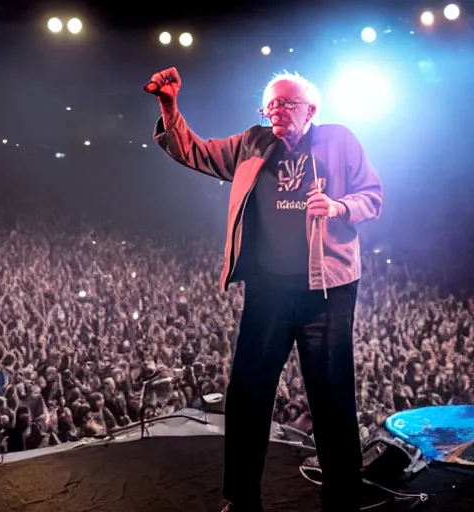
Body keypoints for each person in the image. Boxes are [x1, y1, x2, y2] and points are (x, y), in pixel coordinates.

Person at [146, 67, 383, 512]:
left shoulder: (339, 140)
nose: (274, 110)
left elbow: (372, 196)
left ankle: (343, 497)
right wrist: (169, 108)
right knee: (247, 394)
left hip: (326, 291)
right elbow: (194, 151)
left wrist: (337, 206)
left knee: (331, 398)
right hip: (267, 289)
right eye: (269, 104)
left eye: (285, 104)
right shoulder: (253, 142)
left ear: (311, 109)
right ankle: (241, 497)